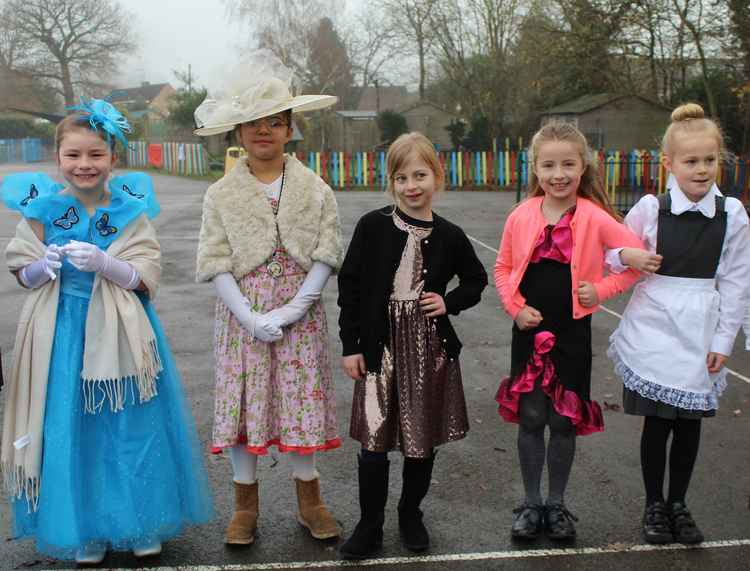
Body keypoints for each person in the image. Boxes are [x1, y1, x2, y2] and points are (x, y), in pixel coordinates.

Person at [0, 98, 213, 564]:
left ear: (113, 157)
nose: (84, 164)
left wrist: (106, 263)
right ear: (58, 158)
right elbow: (20, 272)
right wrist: (43, 266)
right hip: (61, 338)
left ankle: (137, 521)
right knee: (71, 429)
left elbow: (145, 278)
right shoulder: (41, 210)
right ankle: (86, 527)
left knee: (130, 427)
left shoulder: (130, 210)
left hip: (120, 336)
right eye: (73, 155)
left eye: (96, 154)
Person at [194, 52, 343, 546]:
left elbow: (326, 247)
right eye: (255, 125)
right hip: (243, 316)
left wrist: (298, 305)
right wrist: (248, 315)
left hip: (300, 311)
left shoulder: (315, 188)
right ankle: (245, 506)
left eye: (275, 123)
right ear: (238, 133)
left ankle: (310, 500)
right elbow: (215, 260)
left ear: (289, 130)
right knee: (245, 405)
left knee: (300, 401)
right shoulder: (219, 194)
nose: (265, 132)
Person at [494, 121, 648, 542]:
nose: (558, 173)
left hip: (572, 334)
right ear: (535, 169)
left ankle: (557, 505)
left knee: (562, 421)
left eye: (568, 164)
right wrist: (515, 307)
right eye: (549, 165)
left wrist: (599, 290)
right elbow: (504, 268)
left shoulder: (596, 217)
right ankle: (530, 504)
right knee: (531, 416)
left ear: (583, 167)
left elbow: (638, 262)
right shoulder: (521, 215)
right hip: (528, 330)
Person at [337, 132, 488, 560]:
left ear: (437, 175)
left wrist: (448, 301)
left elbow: (476, 280)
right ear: (392, 183)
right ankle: (370, 525)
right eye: (401, 177)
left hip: (427, 348)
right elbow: (349, 287)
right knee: (374, 440)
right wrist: (352, 345)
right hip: (379, 348)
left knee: (420, 439)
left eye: (420, 174)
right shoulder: (372, 226)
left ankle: (410, 513)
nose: (412, 185)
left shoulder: (451, 235)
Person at [607, 103, 750, 545]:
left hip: (700, 329)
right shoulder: (651, 209)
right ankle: (654, 503)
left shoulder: (733, 215)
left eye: (710, 160)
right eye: (691, 161)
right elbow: (612, 254)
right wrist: (629, 256)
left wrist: (724, 340)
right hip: (654, 324)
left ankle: (679, 503)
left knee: (690, 423)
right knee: (658, 421)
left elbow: (737, 280)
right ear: (669, 163)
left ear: (719, 160)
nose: (702, 169)